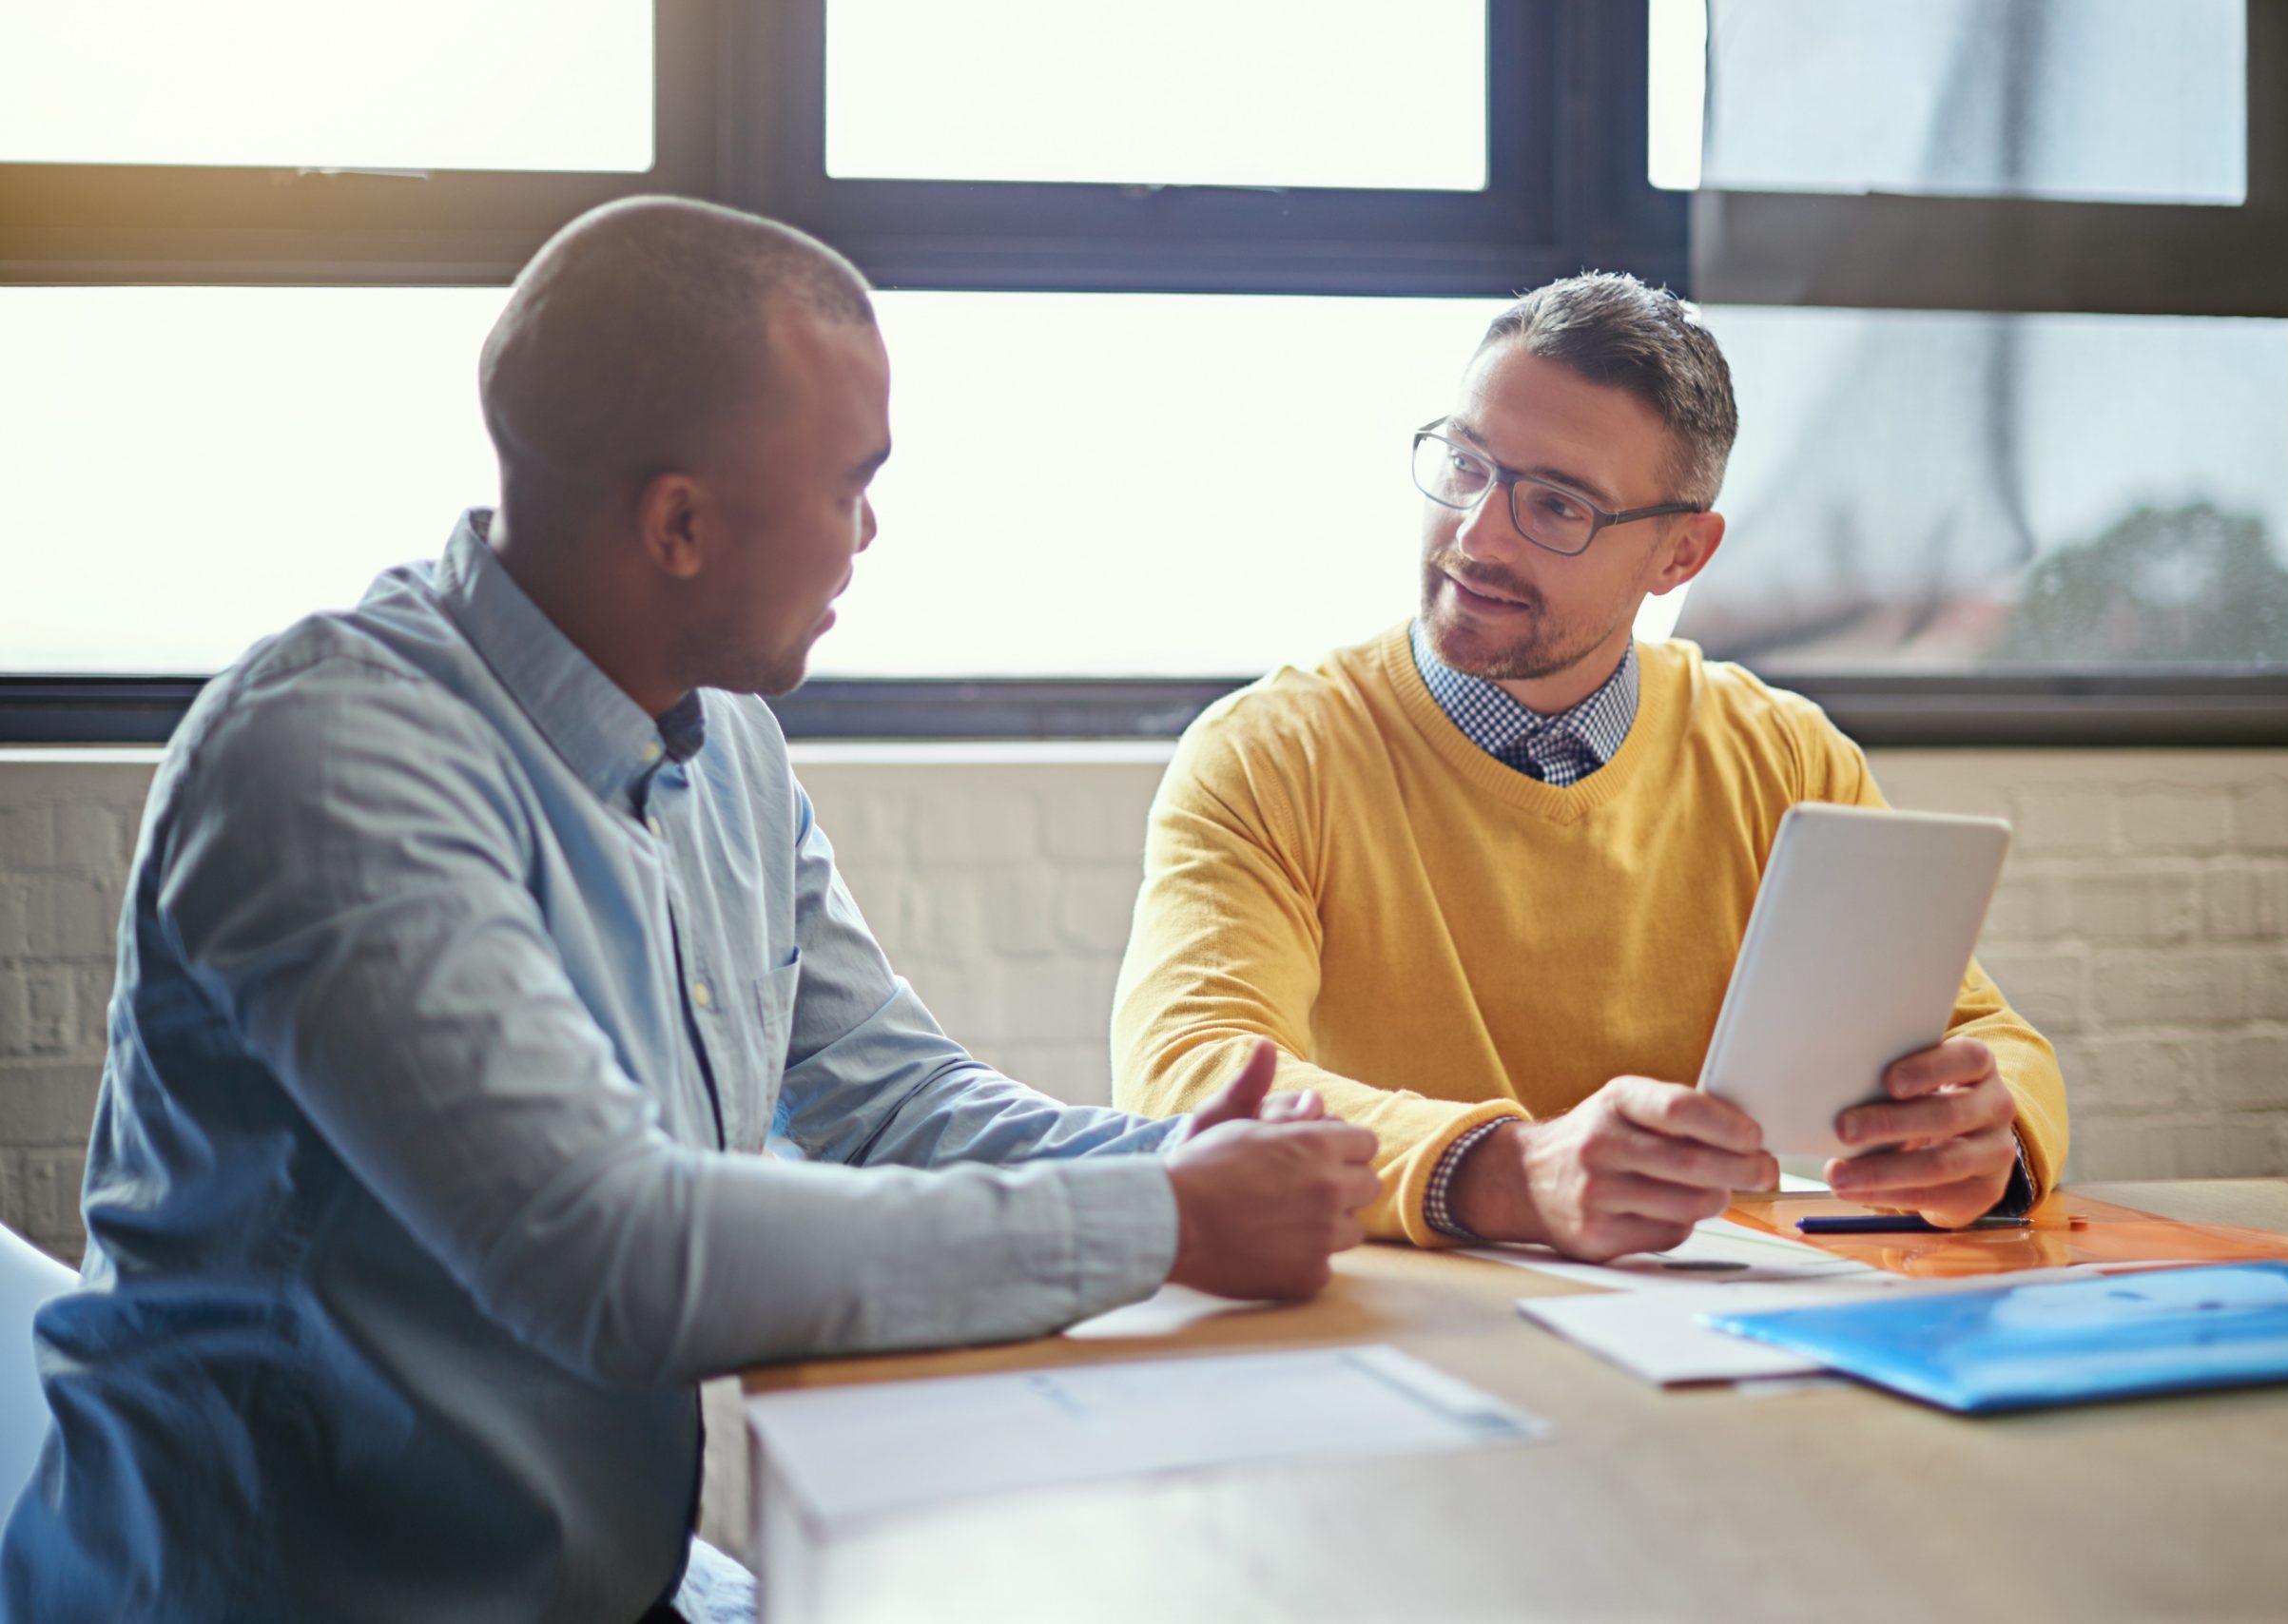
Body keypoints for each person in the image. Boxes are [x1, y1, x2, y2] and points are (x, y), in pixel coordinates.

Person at [0, 197, 1378, 1624]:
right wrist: (1162, 1218)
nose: (870, 530)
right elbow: (609, 1253)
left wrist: (1192, 1159)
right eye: (851, 483)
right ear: (679, 524)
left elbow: (890, 1100)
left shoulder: (724, 741)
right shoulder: (328, 757)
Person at [1112, 272, 2065, 1261]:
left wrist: (1983, 1144)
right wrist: (1508, 1170)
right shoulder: (1270, 754)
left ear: (1679, 555)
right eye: (1469, 465)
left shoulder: (1783, 756)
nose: (1475, 536)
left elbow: (1982, 1034)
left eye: (1557, 506)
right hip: (1411, 1324)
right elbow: (1190, 1071)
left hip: (1726, 1329)